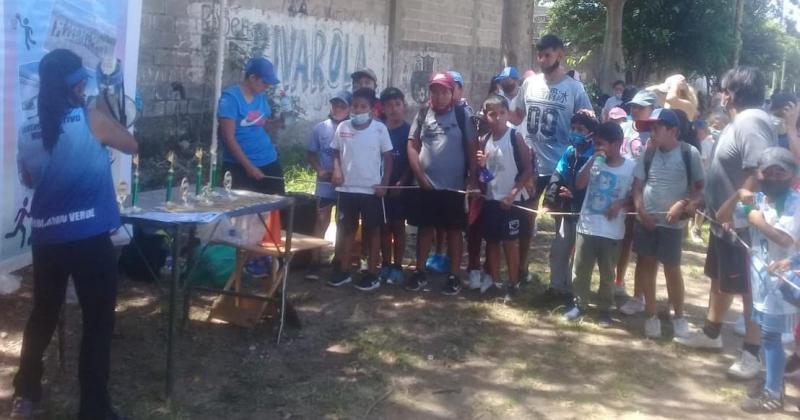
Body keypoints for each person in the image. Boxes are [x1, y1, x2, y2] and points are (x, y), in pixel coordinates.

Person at [11, 49, 138, 420]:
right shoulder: (90, 118)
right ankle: (94, 409)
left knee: (42, 316)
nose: (85, 84)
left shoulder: (28, 127)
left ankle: (26, 395)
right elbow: (131, 144)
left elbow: (30, 179)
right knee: (98, 322)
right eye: (81, 80)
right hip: (89, 238)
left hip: (47, 240)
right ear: (74, 84)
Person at [675, 67, 777, 382]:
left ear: (729, 94)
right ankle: (711, 333)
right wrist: (704, 203)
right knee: (720, 280)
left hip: (742, 225)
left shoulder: (751, 122)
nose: (721, 94)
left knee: (749, 289)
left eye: (723, 90)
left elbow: (761, 172)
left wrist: (731, 209)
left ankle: (751, 352)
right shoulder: (740, 122)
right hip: (724, 221)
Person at [714, 147, 799, 413]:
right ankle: (773, 382)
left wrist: (757, 221)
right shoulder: (760, 199)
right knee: (767, 336)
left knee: (772, 337)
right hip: (762, 282)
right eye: (767, 172)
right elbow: (722, 218)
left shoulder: (794, 203)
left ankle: (773, 392)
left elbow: (785, 239)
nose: (774, 177)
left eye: (780, 172)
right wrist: (740, 193)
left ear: (792, 175)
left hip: (784, 284)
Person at [512, 34, 594, 282]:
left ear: (560, 54)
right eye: (539, 54)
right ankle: (521, 270)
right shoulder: (529, 84)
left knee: (563, 223)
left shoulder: (574, 89)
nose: (542, 59)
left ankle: (561, 279)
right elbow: (517, 115)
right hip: (531, 164)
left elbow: (589, 122)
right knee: (526, 218)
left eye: (547, 54)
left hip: (562, 166)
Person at [632, 108, 705, 338]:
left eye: (656, 128)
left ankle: (680, 316)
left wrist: (683, 204)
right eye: (650, 128)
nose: (651, 133)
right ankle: (651, 314)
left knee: (672, 269)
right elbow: (637, 186)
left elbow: (699, 190)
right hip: (647, 221)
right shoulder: (648, 153)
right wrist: (641, 210)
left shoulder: (688, 153)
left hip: (672, 225)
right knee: (647, 266)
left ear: (673, 130)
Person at [407, 71, 479, 295]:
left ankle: (454, 275)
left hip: (453, 186)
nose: (438, 96)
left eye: (443, 91)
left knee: (454, 231)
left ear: (452, 93)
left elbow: (472, 147)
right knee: (425, 229)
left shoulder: (462, 115)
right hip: (426, 186)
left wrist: (473, 179)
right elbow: (412, 146)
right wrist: (420, 176)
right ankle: (419, 271)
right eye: (434, 91)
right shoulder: (422, 114)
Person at [563, 122, 636, 326]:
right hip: (587, 226)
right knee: (581, 269)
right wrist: (592, 161)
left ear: (617, 144)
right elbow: (579, 184)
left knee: (607, 274)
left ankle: (605, 309)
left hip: (612, 232)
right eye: (596, 144)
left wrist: (621, 203)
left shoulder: (630, 167)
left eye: (602, 144)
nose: (598, 148)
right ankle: (579, 303)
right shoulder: (594, 162)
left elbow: (635, 196)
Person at [327, 88, 394, 291]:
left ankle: (372, 273)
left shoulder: (380, 129)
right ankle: (344, 270)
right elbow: (336, 152)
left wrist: (384, 182)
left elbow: (389, 158)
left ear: (372, 109)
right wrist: (336, 171)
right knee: (346, 230)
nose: (358, 110)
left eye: (363, 106)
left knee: (372, 231)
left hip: (371, 191)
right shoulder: (343, 128)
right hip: (347, 189)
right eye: (355, 106)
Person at [476, 95, 533, 300]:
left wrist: (513, 194)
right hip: (492, 199)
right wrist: (482, 168)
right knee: (492, 241)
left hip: (513, 201)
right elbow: (486, 177)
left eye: (502, 113)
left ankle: (513, 283)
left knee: (510, 242)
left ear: (508, 114)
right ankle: (494, 280)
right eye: (493, 114)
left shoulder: (515, 136)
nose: (498, 117)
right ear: (486, 116)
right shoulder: (484, 141)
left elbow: (527, 169)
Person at [540, 113, 599, 304]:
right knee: (560, 248)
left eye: (580, 130)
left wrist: (576, 194)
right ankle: (556, 286)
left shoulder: (595, 156)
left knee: (579, 254)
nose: (575, 133)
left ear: (591, 133)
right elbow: (558, 174)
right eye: (573, 128)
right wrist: (550, 201)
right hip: (566, 210)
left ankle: (575, 291)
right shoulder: (569, 152)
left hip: (586, 213)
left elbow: (596, 185)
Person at [616, 89, 659, 314]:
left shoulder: (655, 134)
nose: (634, 110)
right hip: (619, 192)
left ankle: (640, 295)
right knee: (623, 240)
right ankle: (617, 282)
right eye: (633, 106)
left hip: (643, 195)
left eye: (640, 107)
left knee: (641, 246)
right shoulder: (623, 128)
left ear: (653, 110)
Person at [219, 57, 285, 195]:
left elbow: (260, 124)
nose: (267, 86)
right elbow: (228, 138)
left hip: (268, 159)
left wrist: (276, 123)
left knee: (276, 209)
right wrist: (249, 167)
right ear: (252, 78)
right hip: (240, 166)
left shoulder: (260, 95)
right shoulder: (230, 99)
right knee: (246, 212)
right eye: (264, 82)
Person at [307, 90, 352, 272]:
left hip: (346, 185)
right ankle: (314, 260)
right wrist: (320, 170)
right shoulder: (321, 128)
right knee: (321, 220)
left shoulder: (352, 129)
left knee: (342, 222)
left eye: (342, 105)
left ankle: (338, 259)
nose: (337, 108)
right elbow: (311, 153)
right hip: (325, 184)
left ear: (349, 109)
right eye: (335, 104)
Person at [378, 87, 411, 285]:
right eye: (389, 105)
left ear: (404, 106)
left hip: (401, 187)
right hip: (381, 186)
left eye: (397, 104)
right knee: (383, 227)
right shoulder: (378, 129)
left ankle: (398, 266)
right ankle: (385, 264)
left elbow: (411, 160)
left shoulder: (409, 130)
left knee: (398, 226)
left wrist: (402, 181)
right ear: (383, 108)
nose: (393, 109)